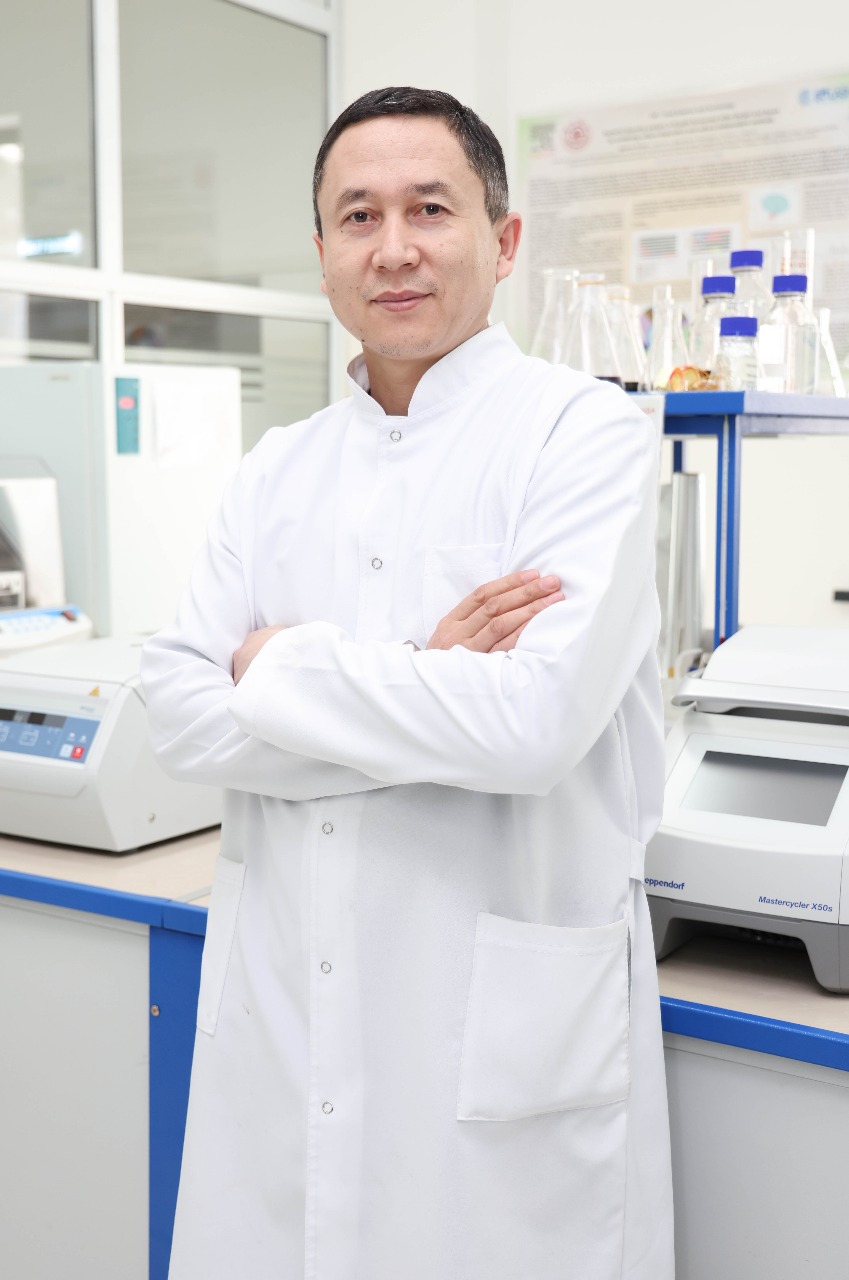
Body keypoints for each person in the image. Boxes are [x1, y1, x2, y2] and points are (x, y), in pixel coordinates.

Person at [142, 86, 674, 1280]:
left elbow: (532, 726)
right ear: (322, 250)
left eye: (430, 208)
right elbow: (175, 710)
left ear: (504, 237)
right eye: (358, 215)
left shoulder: (583, 435)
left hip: (495, 1057)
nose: (394, 248)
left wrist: (275, 662)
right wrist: (430, 682)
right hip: (284, 1029)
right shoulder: (276, 468)